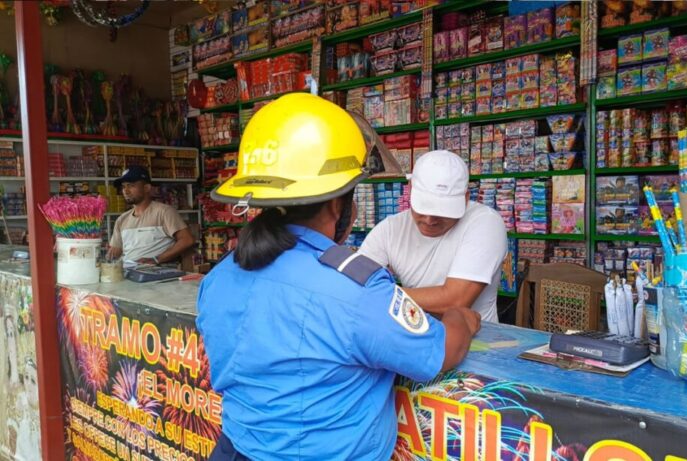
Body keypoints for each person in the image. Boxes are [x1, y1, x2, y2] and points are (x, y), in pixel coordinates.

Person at [197, 93, 480, 460]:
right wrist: (462, 317)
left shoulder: (219, 277)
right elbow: (441, 352)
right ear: (337, 203)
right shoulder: (354, 290)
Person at [358, 150, 509, 323]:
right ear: (410, 190)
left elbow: (455, 301)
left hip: (478, 344)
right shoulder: (390, 229)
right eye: (423, 208)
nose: (429, 220)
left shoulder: (486, 222)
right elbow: (355, 286)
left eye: (442, 211)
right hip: (415, 337)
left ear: (466, 199)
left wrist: (381, 295)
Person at [106, 165, 195, 267]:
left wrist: (157, 259)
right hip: (129, 273)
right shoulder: (122, 220)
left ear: (146, 188)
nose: (125, 191)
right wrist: (108, 255)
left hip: (157, 275)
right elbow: (116, 251)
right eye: (123, 186)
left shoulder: (164, 212)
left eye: (131, 185)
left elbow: (187, 240)